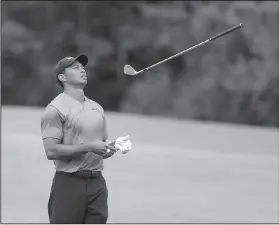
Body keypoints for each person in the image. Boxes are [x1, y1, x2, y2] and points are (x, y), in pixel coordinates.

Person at [41, 54, 131, 224]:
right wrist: (89, 146)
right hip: (68, 184)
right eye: (75, 68)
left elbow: (100, 148)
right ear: (62, 77)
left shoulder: (96, 108)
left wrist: (114, 145)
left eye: (82, 67)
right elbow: (51, 150)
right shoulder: (55, 109)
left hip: (97, 183)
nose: (82, 70)